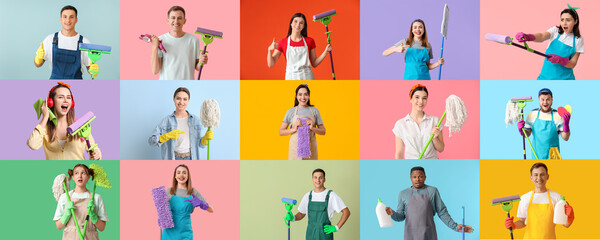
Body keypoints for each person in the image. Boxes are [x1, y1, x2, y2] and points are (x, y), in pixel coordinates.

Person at [385, 166, 473, 239]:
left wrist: (456, 227)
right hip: (410, 236)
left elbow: (442, 212)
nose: (417, 179)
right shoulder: (403, 194)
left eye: (420, 176)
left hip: (429, 235)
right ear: (410, 178)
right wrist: (392, 213)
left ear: (425, 177)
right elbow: (400, 217)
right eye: (414, 177)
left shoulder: (432, 191)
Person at [27, 82, 101, 160]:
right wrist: (45, 117)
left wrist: (96, 155)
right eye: (61, 97)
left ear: (72, 103)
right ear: (51, 102)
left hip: (76, 171)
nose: (65, 100)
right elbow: (32, 145)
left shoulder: (81, 125)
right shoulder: (45, 128)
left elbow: (95, 151)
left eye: (68, 97)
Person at [504, 162, 574, 239]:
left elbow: (566, 224)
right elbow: (522, 221)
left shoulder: (557, 197)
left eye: (542, 174)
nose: (539, 178)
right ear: (531, 178)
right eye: (536, 175)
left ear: (547, 177)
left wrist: (570, 217)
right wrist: (513, 225)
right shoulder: (525, 198)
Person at [516, 5, 584, 80]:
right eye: (562, 20)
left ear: (575, 21)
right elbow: (542, 36)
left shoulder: (578, 39)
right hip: (545, 78)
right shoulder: (555, 31)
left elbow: (573, 64)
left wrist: (560, 60)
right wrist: (529, 37)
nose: (564, 23)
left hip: (565, 80)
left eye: (568, 20)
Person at [34, 5, 98, 79]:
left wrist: (93, 71)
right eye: (65, 17)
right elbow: (38, 65)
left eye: (71, 17)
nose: (68, 20)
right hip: (55, 83)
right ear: (60, 19)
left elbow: (89, 69)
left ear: (76, 20)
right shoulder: (50, 39)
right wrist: (38, 59)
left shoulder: (84, 42)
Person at [149, 87, 213, 160]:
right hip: (172, 158)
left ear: (188, 101)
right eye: (178, 98)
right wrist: (166, 136)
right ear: (174, 99)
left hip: (191, 158)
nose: (181, 102)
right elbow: (151, 141)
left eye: (185, 99)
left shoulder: (195, 120)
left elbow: (201, 145)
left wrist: (205, 139)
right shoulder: (166, 121)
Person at [284, 169, 350, 240]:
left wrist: (336, 227)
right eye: (315, 177)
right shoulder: (308, 196)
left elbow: (346, 212)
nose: (318, 180)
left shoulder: (331, 195)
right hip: (310, 235)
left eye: (320, 177)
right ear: (312, 179)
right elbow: (302, 213)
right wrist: (293, 218)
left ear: (324, 179)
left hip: (324, 236)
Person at [267, 13, 332, 80]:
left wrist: (326, 52)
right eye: (295, 21)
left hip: (307, 78)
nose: (298, 25)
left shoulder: (310, 41)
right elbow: (271, 64)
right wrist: (269, 50)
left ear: (303, 26)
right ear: (291, 23)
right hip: (291, 78)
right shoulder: (282, 42)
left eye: (301, 23)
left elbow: (314, 63)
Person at [150, 6, 208, 80]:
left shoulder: (194, 40)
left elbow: (196, 68)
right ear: (168, 20)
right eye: (173, 18)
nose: (176, 21)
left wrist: (201, 62)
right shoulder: (160, 40)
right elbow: (155, 71)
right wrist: (154, 47)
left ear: (184, 21)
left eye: (179, 18)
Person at [54, 164, 108, 239]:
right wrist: (67, 214)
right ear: (73, 177)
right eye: (76, 173)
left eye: (83, 173)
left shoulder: (96, 197)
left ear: (88, 177)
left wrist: (93, 215)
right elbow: (59, 226)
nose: (80, 176)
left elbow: (102, 228)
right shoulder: (65, 197)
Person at [161, 165, 213, 239]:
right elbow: (161, 217)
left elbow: (212, 210)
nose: (181, 175)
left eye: (184, 173)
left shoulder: (193, 192)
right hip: (169, 234)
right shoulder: (169, 191)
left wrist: (202, 204)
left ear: (188, 176)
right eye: (178, 173)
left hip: (185, 235)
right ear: (175, 176)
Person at [392, 84, 444, 159]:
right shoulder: (400, 124)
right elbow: (399, 153)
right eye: (417, 97)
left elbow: (441, 149)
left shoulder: (435, 121)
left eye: (424, 98)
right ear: (410, 99)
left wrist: (435, 138)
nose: (421, 101)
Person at [518, 88, 570, 159]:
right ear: (539, 100)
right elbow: (527, 134)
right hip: (537, 154)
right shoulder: (532, 114)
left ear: (552, 100)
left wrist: (566, 124)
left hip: (553, 156)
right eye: (542, 99)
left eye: (548, 99)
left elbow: (565, 137)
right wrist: (521, 130)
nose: (545, 102)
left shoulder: (558, 115)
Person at [279, 84, 325, 160]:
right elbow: (281, 132)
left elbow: (323, 131)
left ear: (309, 96)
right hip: (295, 151)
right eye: (300, 95)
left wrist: (313, 128)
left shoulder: (314, 111)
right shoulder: (291, 111)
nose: (303, 98)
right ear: (296, 96)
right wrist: (294, 129)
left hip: (311, 151)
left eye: (305, 94)